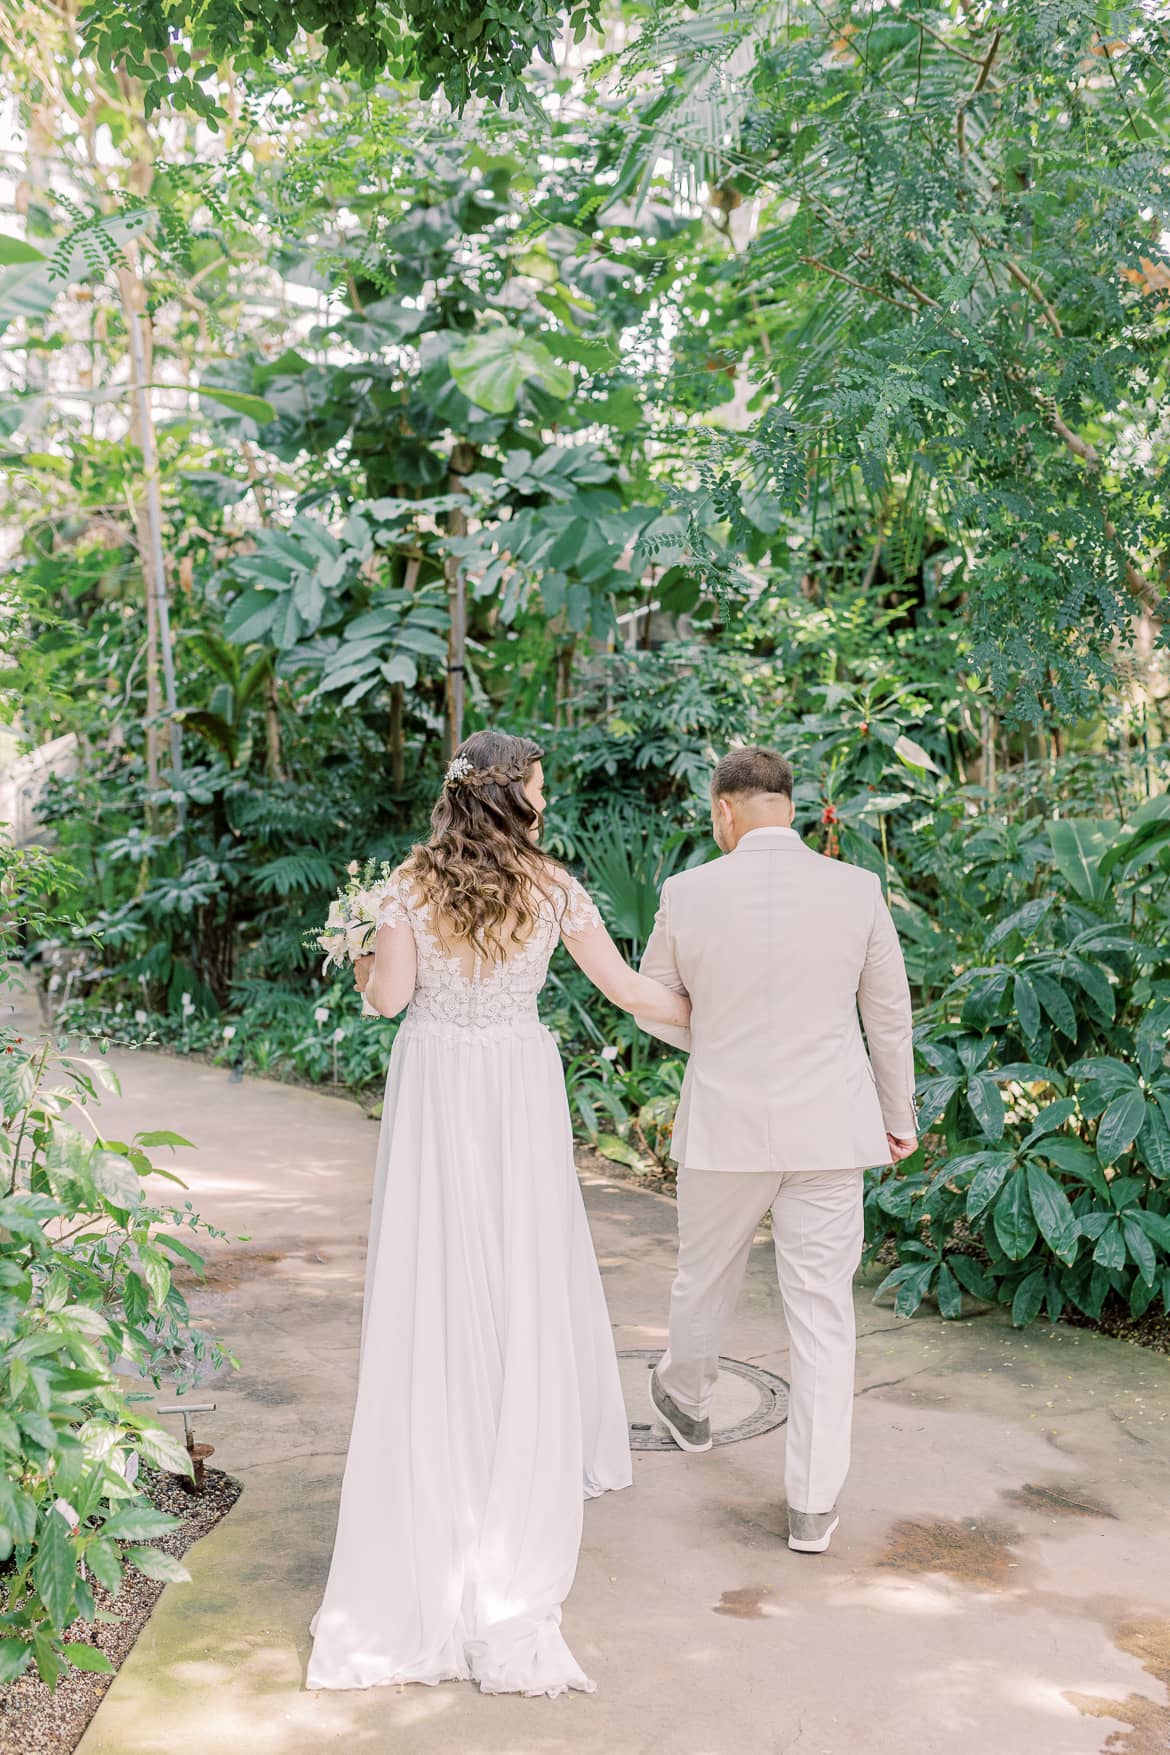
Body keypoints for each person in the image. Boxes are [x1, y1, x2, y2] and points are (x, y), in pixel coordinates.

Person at [306, 730, 690, 1698]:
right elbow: (629, 990)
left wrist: (361, 957)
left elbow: (389, 1001)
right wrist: (714, 1018)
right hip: (515, 1092)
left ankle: (444, 1495)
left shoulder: (403, 887)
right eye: (541, 789)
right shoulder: (553, 889)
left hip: (438, 1092)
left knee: (438, 1289)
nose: (548, 804)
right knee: (519, 1287)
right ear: (512, 797)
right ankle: (503, 1507)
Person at [636, 746, 917, 1554]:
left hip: (725, 1125)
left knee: (704, 1274)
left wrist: (716, 1038)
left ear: (724, 809)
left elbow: (655, 1003)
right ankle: (812, 1506)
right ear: (789, 805)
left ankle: (687, 1401)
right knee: (823, 1310)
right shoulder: (856, 888)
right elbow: (888, 1015)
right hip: (830, 1127)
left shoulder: (687, 892)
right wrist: (896, 1115)